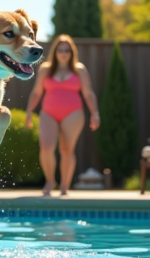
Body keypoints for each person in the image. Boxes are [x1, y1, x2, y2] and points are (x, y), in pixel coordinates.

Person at [26, 35, 100, 196]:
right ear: (55, 51)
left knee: (67, 149)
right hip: (48, 113)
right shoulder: (45, 69)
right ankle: (50, 180)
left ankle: (65, 186)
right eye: (60, 50)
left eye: (67, 50)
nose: (64, 53)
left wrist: (95, 113)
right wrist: (29, 112)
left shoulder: (79, 70)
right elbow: (36, 93)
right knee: (46, 147)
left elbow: (88, 94)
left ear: (71, 52)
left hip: (73, 113)